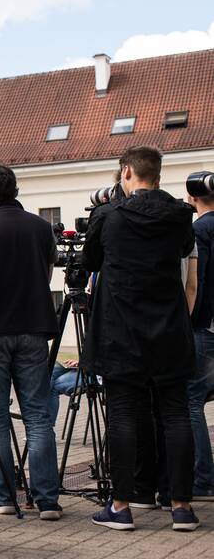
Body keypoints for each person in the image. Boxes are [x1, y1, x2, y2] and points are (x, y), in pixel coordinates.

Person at [82, 146, 198, 531]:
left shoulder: (109, 217)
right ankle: (181, 505)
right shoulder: (181, 216)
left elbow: (90, 262)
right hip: (169, 327)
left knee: (124, 414)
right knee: (176, 413)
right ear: (159, 176)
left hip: (122, 332)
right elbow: (183, 250)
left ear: (127, 172)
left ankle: (121, 505)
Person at [0, 164, 62, 519]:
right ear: (16, 190)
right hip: (34, 326)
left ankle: (3, 495)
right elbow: (48, 273)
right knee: (38, 416)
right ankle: (47, 499)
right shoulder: (41, 228)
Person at [186, 176, 214, 502]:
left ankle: (203, 478)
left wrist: (190, 323)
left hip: (206, 328)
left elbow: (198, 282)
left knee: (191, 401)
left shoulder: (199, 231)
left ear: (193, 198)